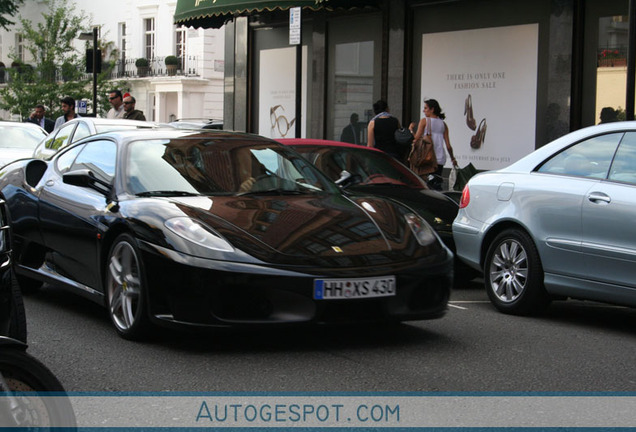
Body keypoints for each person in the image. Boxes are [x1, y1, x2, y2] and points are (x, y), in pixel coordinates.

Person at [411, 99, 458, 189]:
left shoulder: (424, 121)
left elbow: (416, 139)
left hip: (426, 158)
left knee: (426, 184)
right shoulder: (443, 124)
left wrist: (410, 130)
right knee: (437, 183)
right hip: (440, 158)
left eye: (425, 108)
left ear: (432, 109)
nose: (423, 110)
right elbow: (448, 146)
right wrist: (453, 159)